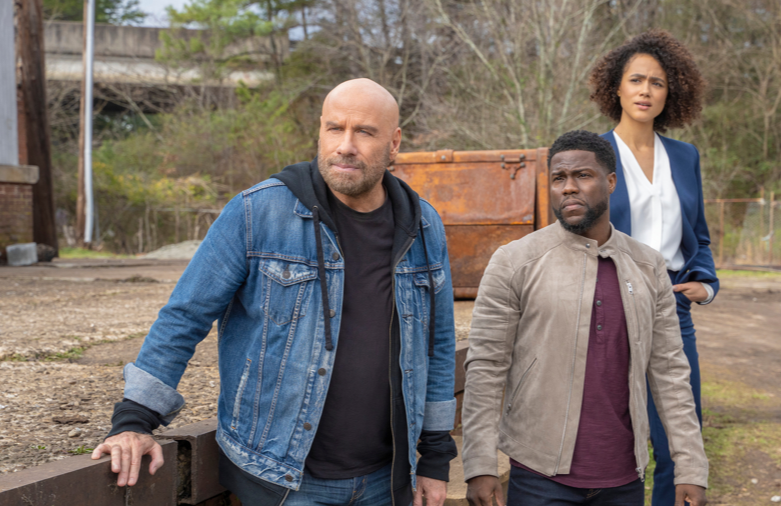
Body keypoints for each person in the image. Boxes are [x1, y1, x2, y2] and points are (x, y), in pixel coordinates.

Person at [91, 78, 458, 506]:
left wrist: (435, 458)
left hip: (387, 479)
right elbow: (185, 315)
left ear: (394, 143)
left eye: (364, 132)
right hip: (281, 476)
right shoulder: (257, 212)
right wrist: (134, 419)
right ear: (320, 131)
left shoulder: (423, 226)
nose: (346, 146)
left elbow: (437, 344)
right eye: (335, 128)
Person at [461, 130, 708, 506]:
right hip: (539, 475)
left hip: (624, 478)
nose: (569, 188)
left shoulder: (648, 266)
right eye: (558, 178)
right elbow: (486, 367)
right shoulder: (515, 261)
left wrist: (691, 467)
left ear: (611, 182)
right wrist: (480, 465)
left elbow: (670, 371)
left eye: (583, 175)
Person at [589, 30, 719, 506]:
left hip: (672, 308)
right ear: (617, 88)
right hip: (606, 306)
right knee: (609, 439)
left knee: (678, 440)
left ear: (671, 93)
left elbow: (698, 235)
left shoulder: (685, 156)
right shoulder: (592, 154)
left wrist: (705, 284)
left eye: (657, 82)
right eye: (636, 80)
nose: (646, 90)